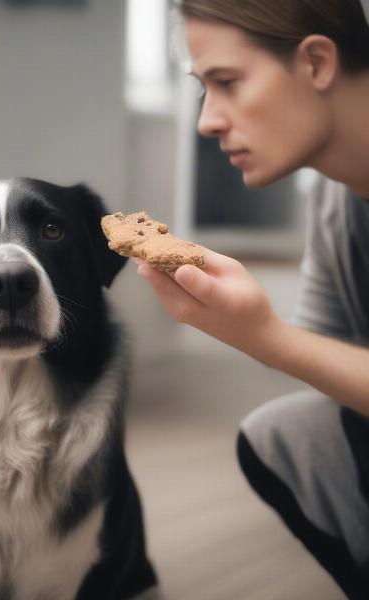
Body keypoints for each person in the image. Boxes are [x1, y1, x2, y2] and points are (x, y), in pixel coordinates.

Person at [136, 1, 369, 598]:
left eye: (227, 82)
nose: (207, 122)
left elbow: (296, 345)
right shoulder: (334, 203)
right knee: (282, 436)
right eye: (202, 88)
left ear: (316, 62)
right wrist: (252, 329)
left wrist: (265, 338)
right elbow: (332, 356)